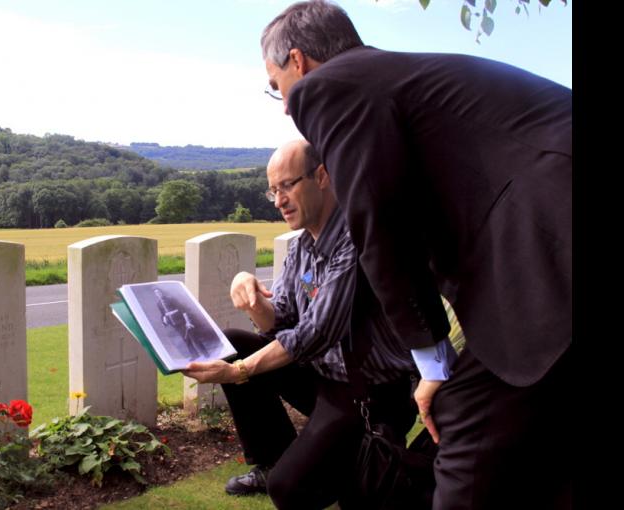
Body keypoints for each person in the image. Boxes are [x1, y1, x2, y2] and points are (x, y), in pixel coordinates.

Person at [259, 2, 572, 509]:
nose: (284, 105)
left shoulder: (330, 86)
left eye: (276, 86)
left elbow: (380, 224)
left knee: (466, 423)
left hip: (549, 256)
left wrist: (431, 359)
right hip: (549, 249)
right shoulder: (401, 79)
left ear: (298, 60)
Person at [183, 139, 433, 509]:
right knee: (233, 340)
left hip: (369, 392)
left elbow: (317, 333)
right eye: (273, 190)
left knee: (288, 490)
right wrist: (251, 295)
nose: (279, 199)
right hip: (323, 378)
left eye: (288, 185)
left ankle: (329, 469)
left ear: (321, 177)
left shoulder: (356, 240)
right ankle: (276, 460)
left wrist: (241, 371)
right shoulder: (301, 247)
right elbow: (280, 318)